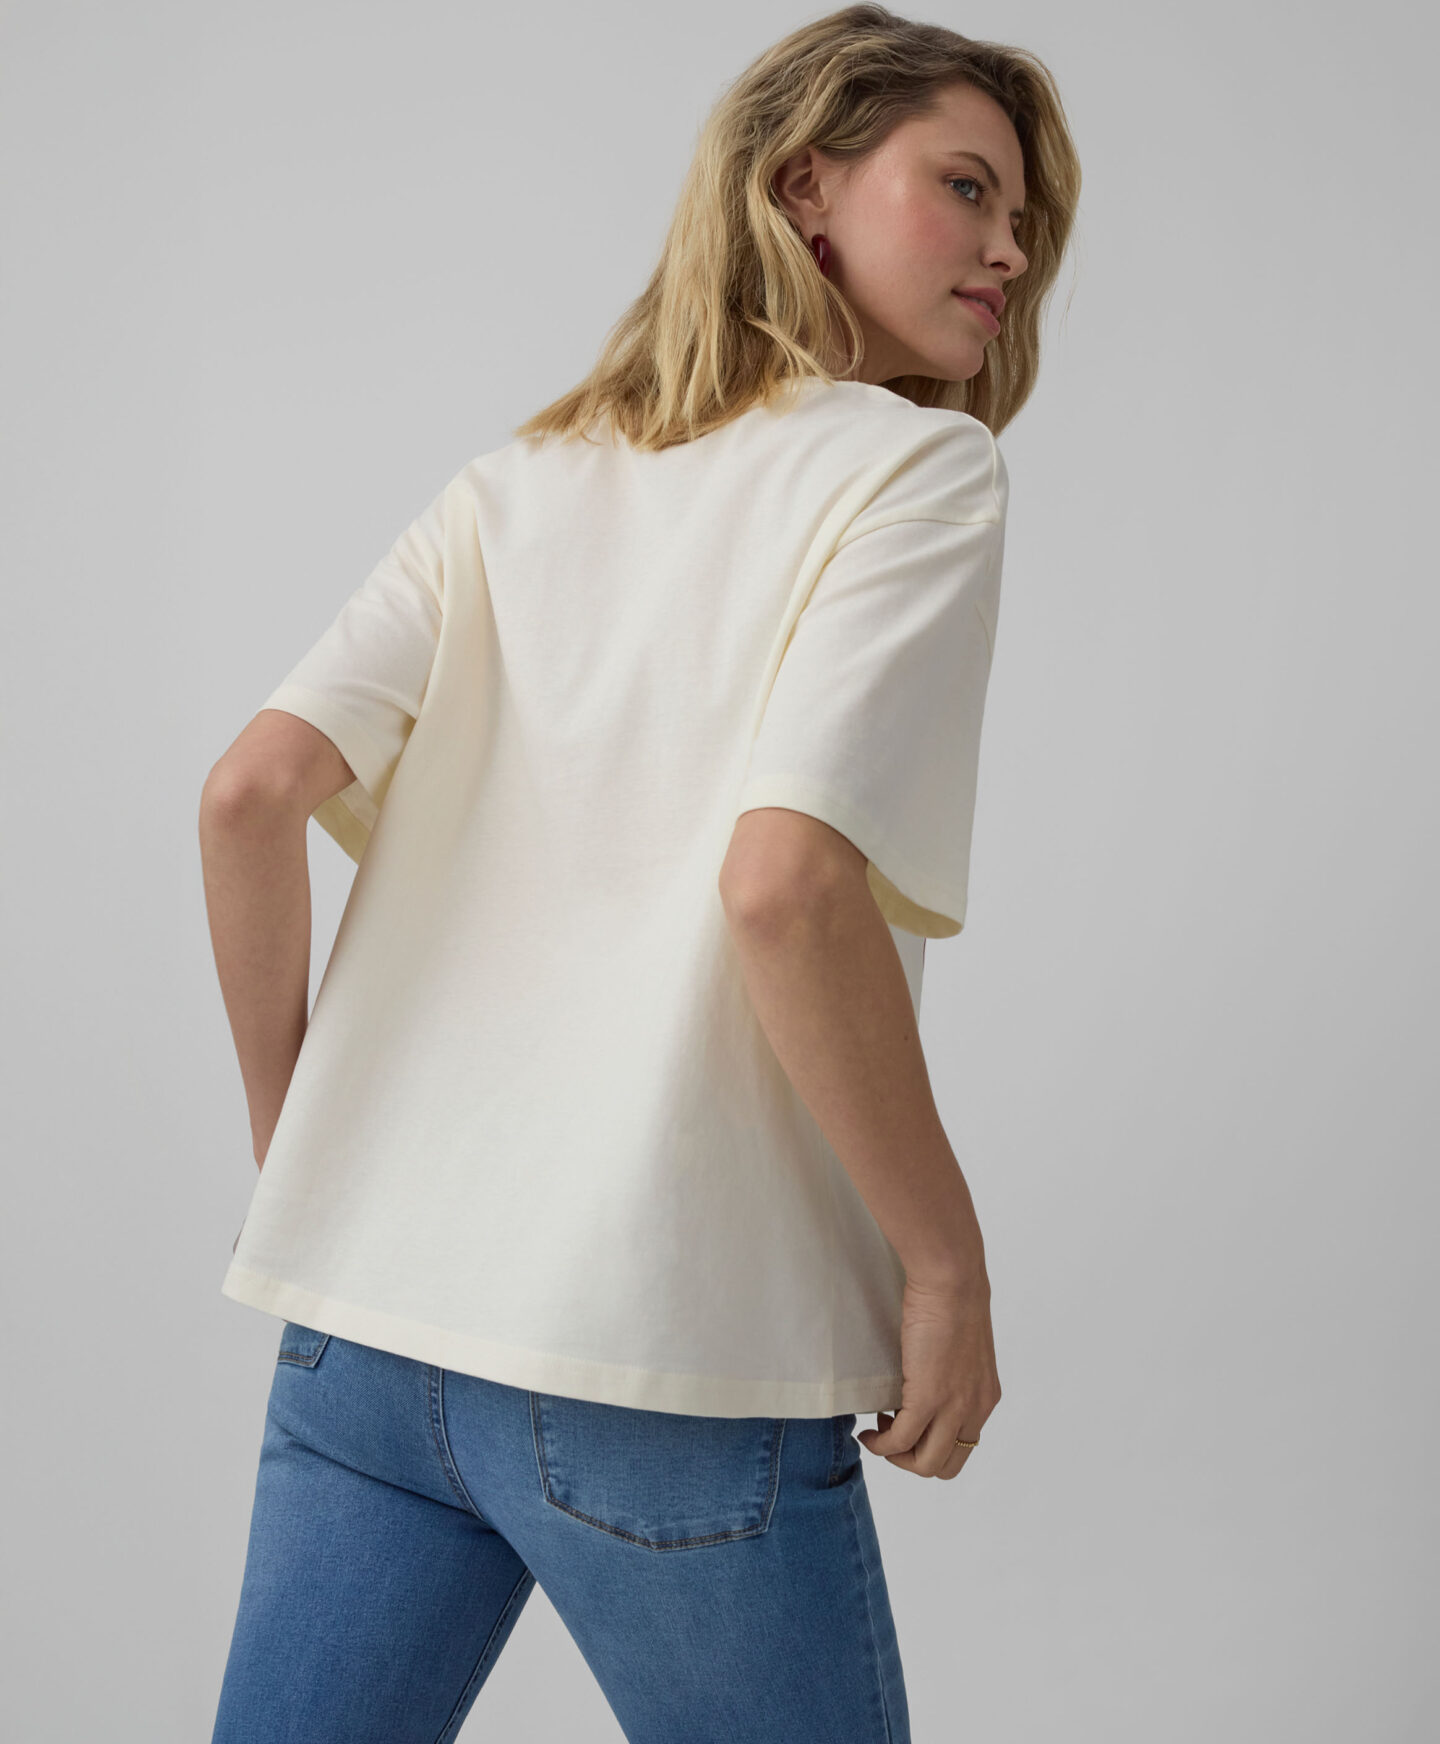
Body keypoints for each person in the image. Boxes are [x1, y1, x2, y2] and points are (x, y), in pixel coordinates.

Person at [198, 6, 1080, 1739]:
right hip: (658, 1359)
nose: (1009, 250)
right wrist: (945, 1269)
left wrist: (298, 1142)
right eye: (967, 188)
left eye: (1026, 220)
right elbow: (786, 888)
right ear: (802, 186)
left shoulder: (518, 481)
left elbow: (248, 795)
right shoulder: (918, 467)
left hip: (361, 1330)